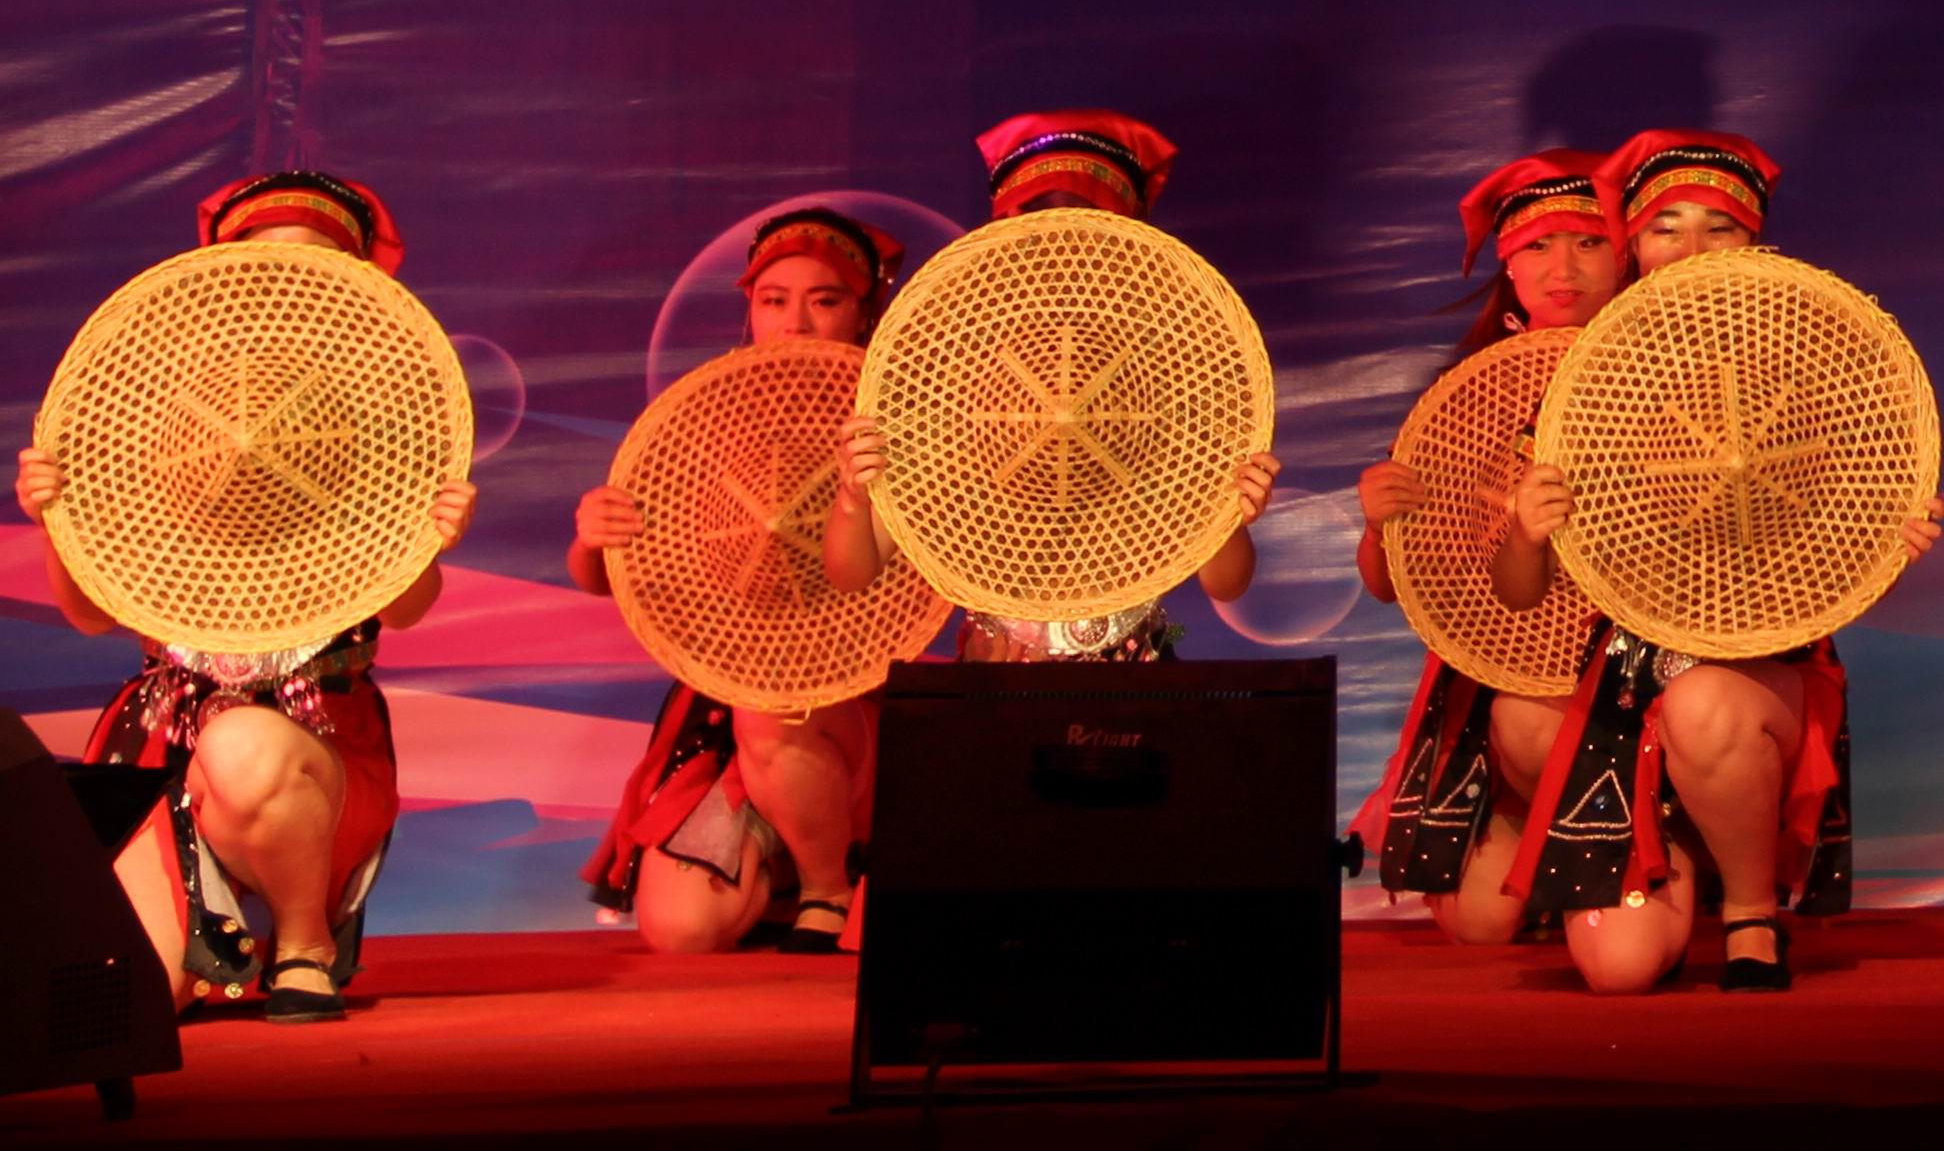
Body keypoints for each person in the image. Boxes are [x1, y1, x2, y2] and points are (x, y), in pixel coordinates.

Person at [14, 171, 477, 1022]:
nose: (291, 281)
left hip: (315, 745)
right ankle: (220, 937)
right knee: (126, 1003)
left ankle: (303, 945)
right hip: (165, 749)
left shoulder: (383, 422)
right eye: (269, 263)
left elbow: (407, 607)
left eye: (316, 264)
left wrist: (426, 540)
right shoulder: (162, 418)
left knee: (243, 747)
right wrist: (54, 520)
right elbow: (88, 613)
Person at [1494, 128, 1944, 995]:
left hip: (1757, 679)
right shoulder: (1587, 383)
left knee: (1703, 703)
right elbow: (1521, 594)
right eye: (1667, 229)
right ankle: (1685, 854)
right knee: (1619, 973)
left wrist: (1892, 547)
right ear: (1635, 246)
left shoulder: (1811, 362)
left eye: (1719, 228)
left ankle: (1750, 911)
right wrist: (1526, 533)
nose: (1692, 249)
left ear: (1755, 240)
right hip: (1625, 691)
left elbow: (1843, 560)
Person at [572, 203, 901, 955]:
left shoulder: (896, 423)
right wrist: (595, 536)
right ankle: (782, 868)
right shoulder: (707, 420)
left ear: (863, 312)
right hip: (731, 710)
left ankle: (827, 887)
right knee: (684, 930)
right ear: (749, 311)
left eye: (825, 300)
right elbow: (605, 575)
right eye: (774, 301)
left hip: (854, 705)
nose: (796, 323)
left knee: (775, 711)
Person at [828, 111, 1280, 655]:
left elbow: (1226, 582)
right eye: (1040, 222)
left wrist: (1229, 516)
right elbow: (854, 572)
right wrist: (853, 498)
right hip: (994, 670)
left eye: (1084, 223)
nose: (1061, 245)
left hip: (1131, 667)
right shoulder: (953, 378)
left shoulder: (1172, 381)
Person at [1361, 152, 1630, 941]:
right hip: (1509, 661)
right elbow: (1388, 584)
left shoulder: (1666, 371)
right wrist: (1378, 522)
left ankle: (1656, 852)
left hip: (1638, 671)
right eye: (1538, 246)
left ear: (1624, 254)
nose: (1563, 268)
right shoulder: (1466, 395)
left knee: (1534, 727)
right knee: (1481, 925)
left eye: (1588, 243)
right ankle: (1532, 825)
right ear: (1508, 264)